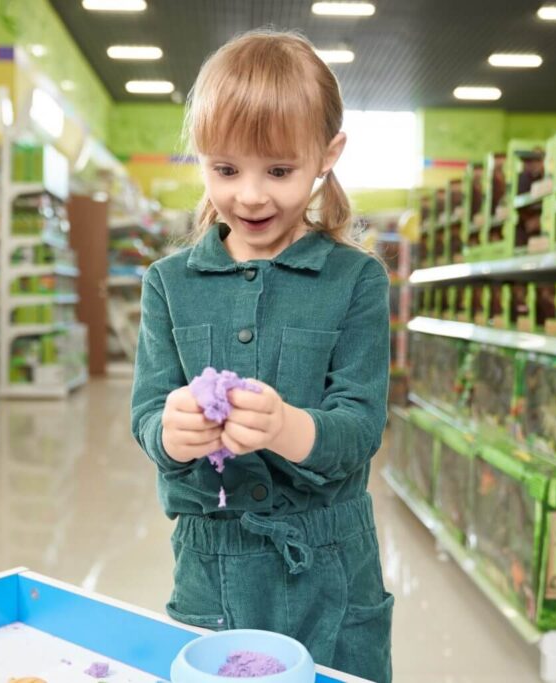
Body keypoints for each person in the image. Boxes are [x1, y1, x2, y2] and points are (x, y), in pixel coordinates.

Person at [130, 29, 392, 683]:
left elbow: (359, 426)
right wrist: (172, 429)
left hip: (331, 562)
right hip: (210, 564)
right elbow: (146, 413)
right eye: (225, 169)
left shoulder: (355, 281)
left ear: (327, 155)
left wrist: (284, 427)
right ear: (201, 159)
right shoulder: (168, 283)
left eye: (278, 170)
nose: (250, 195)